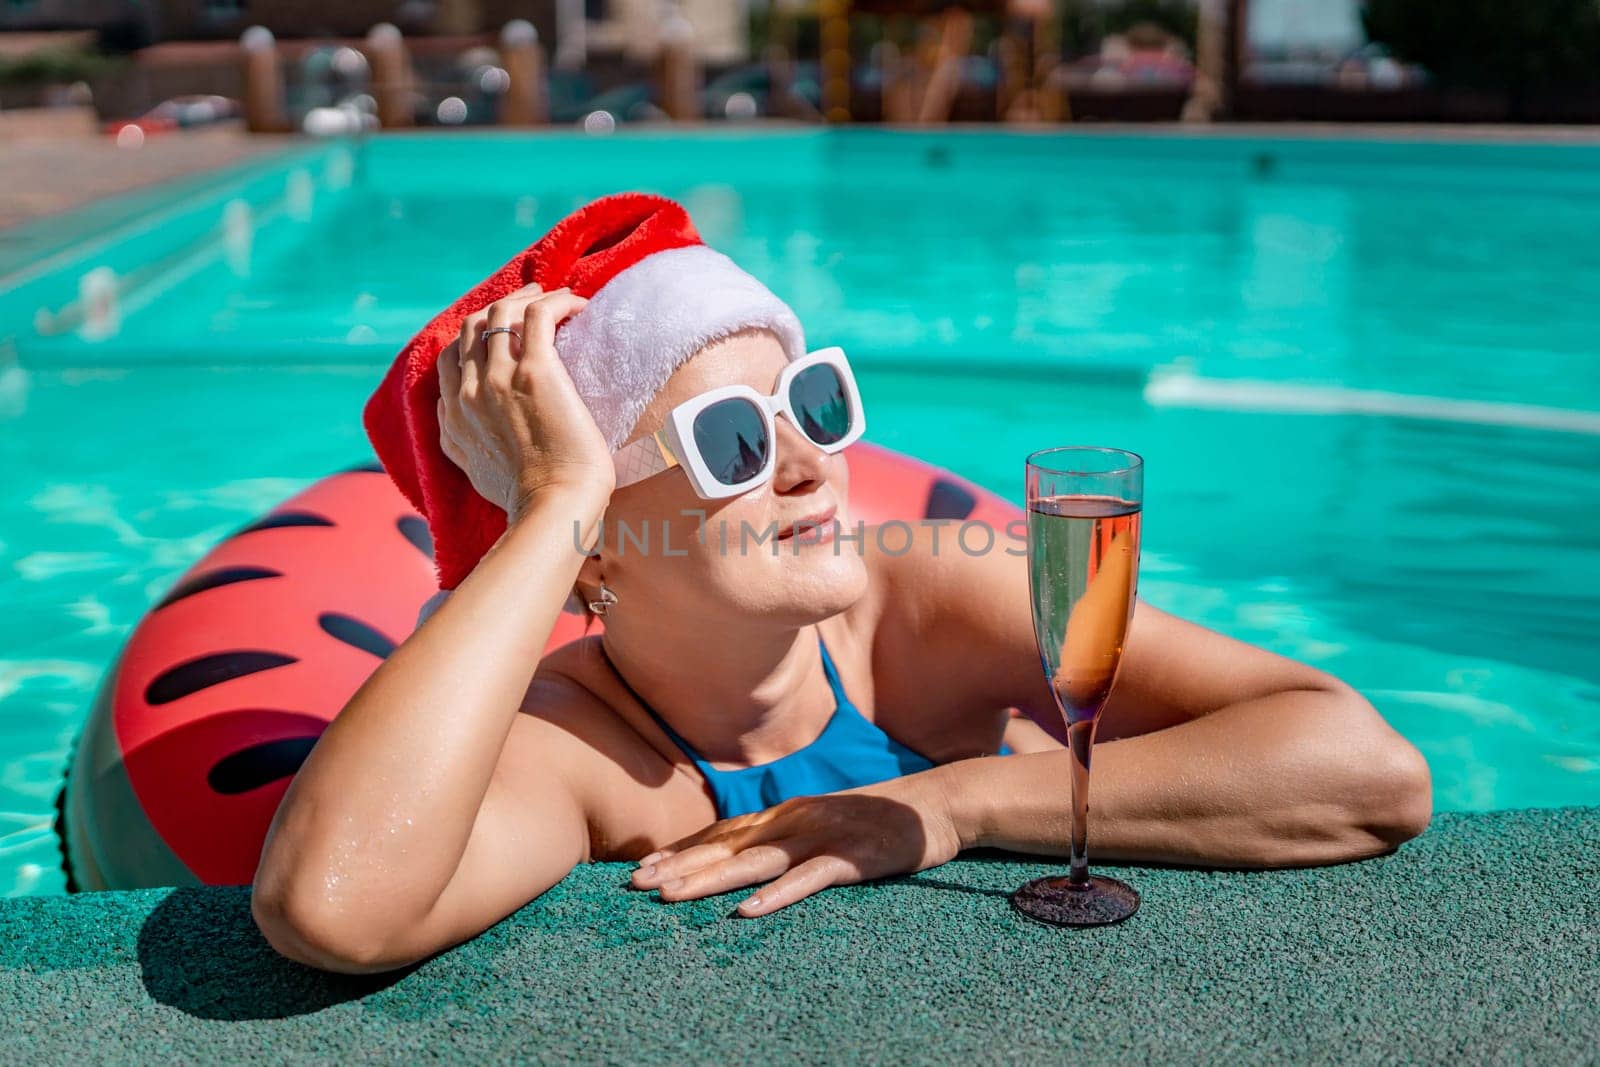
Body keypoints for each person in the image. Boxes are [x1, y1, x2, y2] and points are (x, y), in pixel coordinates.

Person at [250, 192, 1432, 976]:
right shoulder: (580, 749)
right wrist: (552, 501)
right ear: (594, 544)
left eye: (810, 401)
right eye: (733, 440)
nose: (816, 463)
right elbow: (332, 904)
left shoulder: (930, 600)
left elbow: (1366, 771)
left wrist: (944, 808)